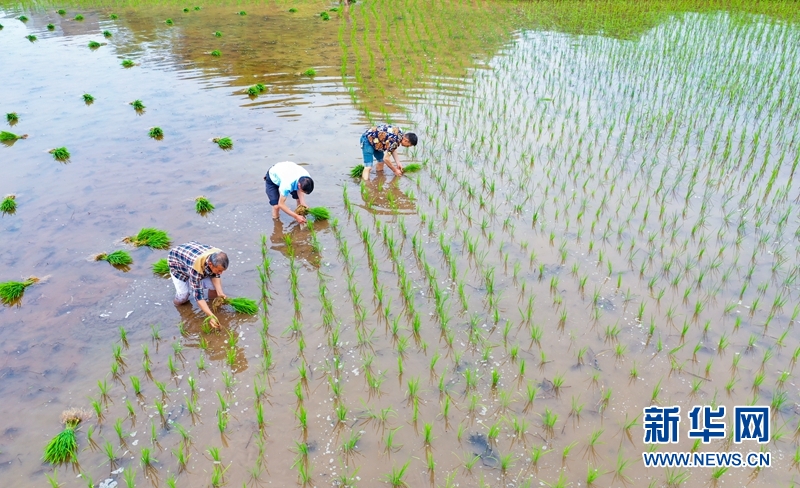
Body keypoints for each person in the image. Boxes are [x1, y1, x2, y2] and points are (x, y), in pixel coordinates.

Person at [168, 241, 229, 329]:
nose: (221, 273)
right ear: (211, 264)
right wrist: (210, 316)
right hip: (178, 263)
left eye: (222, 270)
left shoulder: (219, 256)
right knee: (183, 297)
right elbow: (198, 296)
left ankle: (213, 306)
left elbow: (216, 274)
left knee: (214, 287)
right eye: (219, 270)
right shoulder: (195, 268)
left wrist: (220, 293)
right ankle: (176, 306)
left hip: (192, 254)